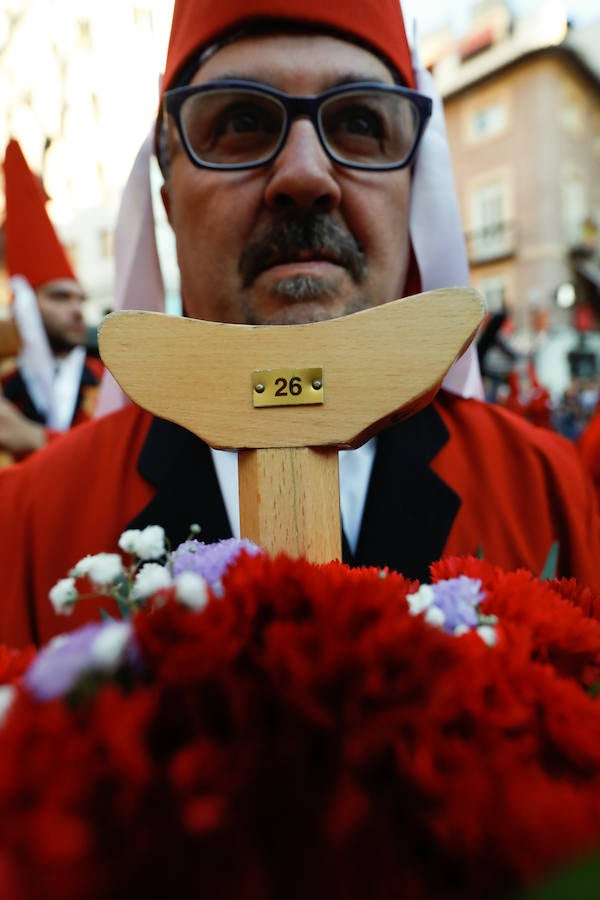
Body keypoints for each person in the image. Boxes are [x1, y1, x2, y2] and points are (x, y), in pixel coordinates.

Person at [0, 0, 599, 648]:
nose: (306, 174)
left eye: (361, 121)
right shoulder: (33, 520)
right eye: (243, 120)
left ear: (416, 183)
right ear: (168, 197)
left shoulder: (546, 488)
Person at [0, 139, 103, 464]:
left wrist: (34, 438)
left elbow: (113, 470)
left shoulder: (109, 384)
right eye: (60, 297)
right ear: (26, 307)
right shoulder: (4, 388)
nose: (76, 310)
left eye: (79, 299)